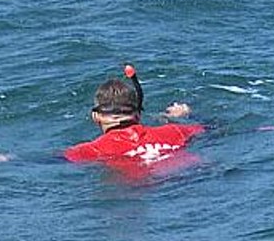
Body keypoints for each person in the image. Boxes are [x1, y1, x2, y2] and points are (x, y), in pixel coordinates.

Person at [63, 65, 204, 166]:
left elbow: (50, 161)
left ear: (95, 117)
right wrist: (186, 117)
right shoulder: (176, 131)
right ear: (137, 113)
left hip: (140, 191)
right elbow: (216, 128)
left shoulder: (90, 151)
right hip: (194, 175)